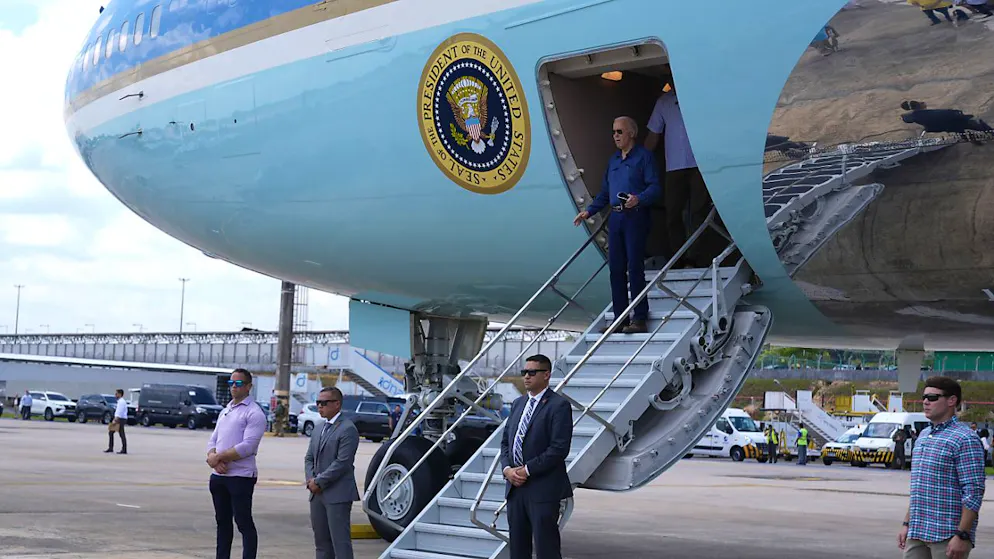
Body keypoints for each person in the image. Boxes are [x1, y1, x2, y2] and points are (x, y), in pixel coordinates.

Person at [573, 116, 661, 334]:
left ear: (631, 133)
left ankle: (639, 317)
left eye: (619, 132)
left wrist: (638, 199)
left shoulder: (644, 157)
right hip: (616, 217)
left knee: (634, 268)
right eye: (613, 132)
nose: (615, 136)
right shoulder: (613, 161)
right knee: (616, 269)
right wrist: (589, 210)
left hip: (636, 216)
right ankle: (621, 318)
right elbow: (605, 192)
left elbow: (655, 187)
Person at [898, 376, 986, 559]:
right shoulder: (923, 435)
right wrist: (907, 523)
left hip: (947, 535)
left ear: (951, 401)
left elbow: (973, 492)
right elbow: (920, 487)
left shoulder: (965, 439)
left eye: (932, 398)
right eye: (924, 397)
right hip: (918, 532)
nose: (925, 402)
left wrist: (962, 534)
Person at [500, 354, 573, 559]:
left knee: (546, 549)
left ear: (547, 375)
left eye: (532, 372)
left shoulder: (558, 406)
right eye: (524, 372)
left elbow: (559, 449)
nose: (526, 377)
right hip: (515, 488)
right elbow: (506, 442)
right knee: (518, 549)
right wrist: (507, 470)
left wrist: (527, 469)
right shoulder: (517, 404)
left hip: (542, 489)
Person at [644, 71, 714, 269]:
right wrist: (639, 162)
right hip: (674, 166)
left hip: (698, 164)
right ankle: (679, 257)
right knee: (673, 213)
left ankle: (694, 258)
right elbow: (653, 135)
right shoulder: (664, 102)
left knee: (697, 212)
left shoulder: (700, 98)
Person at [206, 369, 268, 559]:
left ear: (249, 386)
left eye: (239, 383)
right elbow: (213, 439)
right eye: (231, 383)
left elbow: (248, 446)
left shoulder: (254, 413)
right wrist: (212, 458)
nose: (234, 386)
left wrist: (220, 458)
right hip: (220, 476)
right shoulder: (226, 410)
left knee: (243, 522)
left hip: (240, 477)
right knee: (222, 522)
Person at [305, 386, 360, 559]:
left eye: (324, 403)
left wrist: (319, 481)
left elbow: (342, 463)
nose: (319, 406)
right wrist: (310, 480)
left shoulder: (347, 429)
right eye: (318, 403)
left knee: (340, 543)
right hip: (317, 494)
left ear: (337, 404)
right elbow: (309, 458)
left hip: (337, 494)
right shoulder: (318, 428)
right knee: (321, 544)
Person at [105, 389, 128, 455]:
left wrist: (115, 419)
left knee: (119, 433)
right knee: (112, 432)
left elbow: (119, 411)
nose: (115, 395)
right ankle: (111, 448)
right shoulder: (121, 401)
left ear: (120, 394)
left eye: (116, 394)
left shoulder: (121, 402)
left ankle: (123, 449)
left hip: (120, 419)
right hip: (120, 418)